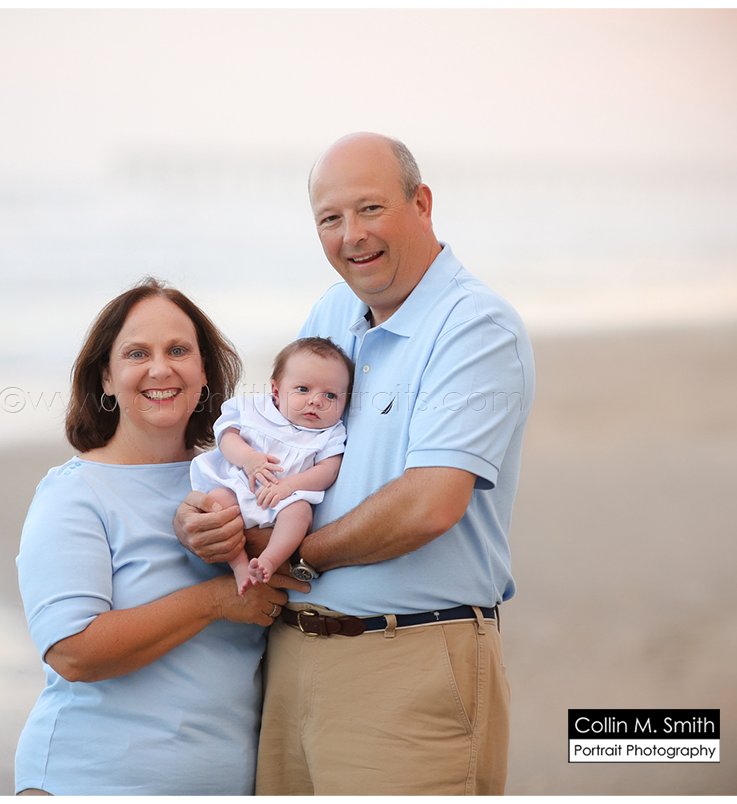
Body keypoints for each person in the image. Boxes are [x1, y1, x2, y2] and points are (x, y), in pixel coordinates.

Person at [175, 133, 535, 795]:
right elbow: (275, 441)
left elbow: (431, 503)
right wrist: (210, 514)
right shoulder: (332, 313)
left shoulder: (475, 328)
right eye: (330, 218)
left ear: (422, 203)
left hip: (411, 662)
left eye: (370, 209)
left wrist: (294, 551)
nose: (352, 235)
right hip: (289, 660)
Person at [14, 278, 306, 795]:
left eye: (178, 350)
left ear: (203, 372)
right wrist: (214, 601)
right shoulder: (74, 493)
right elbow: (72, 653)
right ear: (106, 377)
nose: (160, 368)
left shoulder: (237, 485)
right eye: (136, 353)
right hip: (89, 780)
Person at [190, 337, 352, 595]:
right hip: (243, 485)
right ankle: (239, 563)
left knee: (300, 514)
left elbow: (328, 471)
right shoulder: (254, 409)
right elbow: (226, 437)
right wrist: (249, 459)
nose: (315, 401)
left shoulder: (330, 433)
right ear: (276, 391)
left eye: (330, 395)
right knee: (218, 503)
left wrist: (289, 486)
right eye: (302, 389)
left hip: (286, 498)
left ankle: (270, 559)